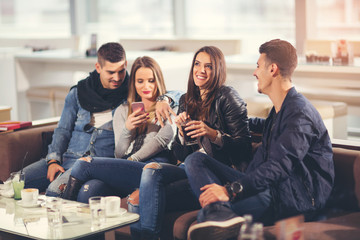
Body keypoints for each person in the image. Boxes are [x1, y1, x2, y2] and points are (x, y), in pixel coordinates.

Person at [186, 39, 335, 240]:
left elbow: (279, 167)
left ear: (272, 69)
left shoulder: (300, 114)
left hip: (291, 196)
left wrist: (230, 190)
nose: (255, 72)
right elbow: (252, 123)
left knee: (205, 217)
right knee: (195, 160)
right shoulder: (280, 110)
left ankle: (218, 214)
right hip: (269, 186)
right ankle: (220, 213)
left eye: (258, 66)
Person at [18, 42, 178, 197]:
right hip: (68, 156)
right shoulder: (78, 93)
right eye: (110, 72)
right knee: (14, 182)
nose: (117, 78)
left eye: (121, 71)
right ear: (98, 67)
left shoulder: (130, 94)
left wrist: (165, 99)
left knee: (55, 191)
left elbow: (166, 91)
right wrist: (53, 160)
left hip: (96, 162)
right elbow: (63, 130)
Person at [128, 46, 252, 240]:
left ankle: (220, 213)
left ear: (217, 69)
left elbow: (243, 148)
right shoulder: (188, 100)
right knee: (150, 173)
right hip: (190, 170)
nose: (201, 70)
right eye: (197, 64)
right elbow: (181, 155)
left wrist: (214, 135)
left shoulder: (228, 97)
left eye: (208, 66)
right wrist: (181, 134)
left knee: (190, 163)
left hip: (220, 174)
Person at [61, 56, 177, 202]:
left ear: (158, 81)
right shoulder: (123, 110)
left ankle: (63, 210)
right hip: (126, 167)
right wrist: (128, 129)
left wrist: (131, 159)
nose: (146, 86)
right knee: (89, 191)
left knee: (84, 164)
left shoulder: (169, 106)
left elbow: (162, 140)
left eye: (151, 80)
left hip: (150, 166)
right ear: (133, 83)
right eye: (140, 81)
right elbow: (119, 153)